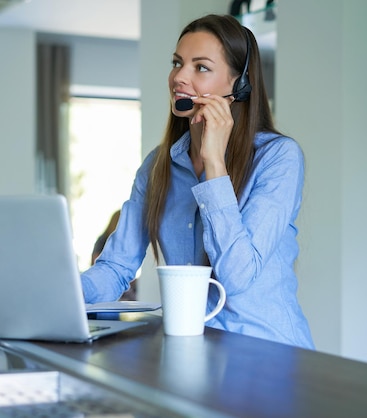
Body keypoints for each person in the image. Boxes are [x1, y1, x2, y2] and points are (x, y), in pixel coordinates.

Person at [81, 14, 314, 349]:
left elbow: (236, 277)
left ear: (239, 85)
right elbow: (116, 266)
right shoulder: (157, 166)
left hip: (268, 353)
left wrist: (214, 163)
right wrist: (57, 292)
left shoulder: (278, 158)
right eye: (177, 63)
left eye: (200, 67)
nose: (179, 77)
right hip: (192, 350)